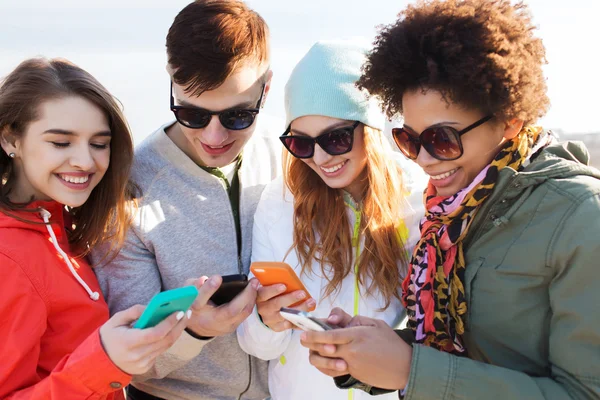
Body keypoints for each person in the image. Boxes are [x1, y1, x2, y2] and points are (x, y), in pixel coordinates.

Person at [300, 1, 600, 398]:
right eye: (409, 139)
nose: (423, 160)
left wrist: (411, 371)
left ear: (509, 120)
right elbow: (463, 350)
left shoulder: (581, 218)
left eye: (442, 139)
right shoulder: (453, 209)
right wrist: (376, 351)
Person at [91, 1, 279, 399]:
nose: (214, 138)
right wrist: (196, 330)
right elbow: (133, 355)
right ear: (170, 80)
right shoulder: (127, 189)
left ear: (267, 87)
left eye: (238, 116)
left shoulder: (293, 161)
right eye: (191, 114)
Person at [236, 40, 426, 400]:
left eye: (336, 138)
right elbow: (258, 346)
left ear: (369, 129)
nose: (321, 158)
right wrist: (267, 321)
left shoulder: (418, 198)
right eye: (302, 143)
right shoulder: (279, 205)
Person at [0, 58, 188, 399]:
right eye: (61, 143)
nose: (86, 162)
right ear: (11, 140)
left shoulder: (63, 229)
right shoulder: (8, 258)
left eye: (99, 144)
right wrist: (105, 362)